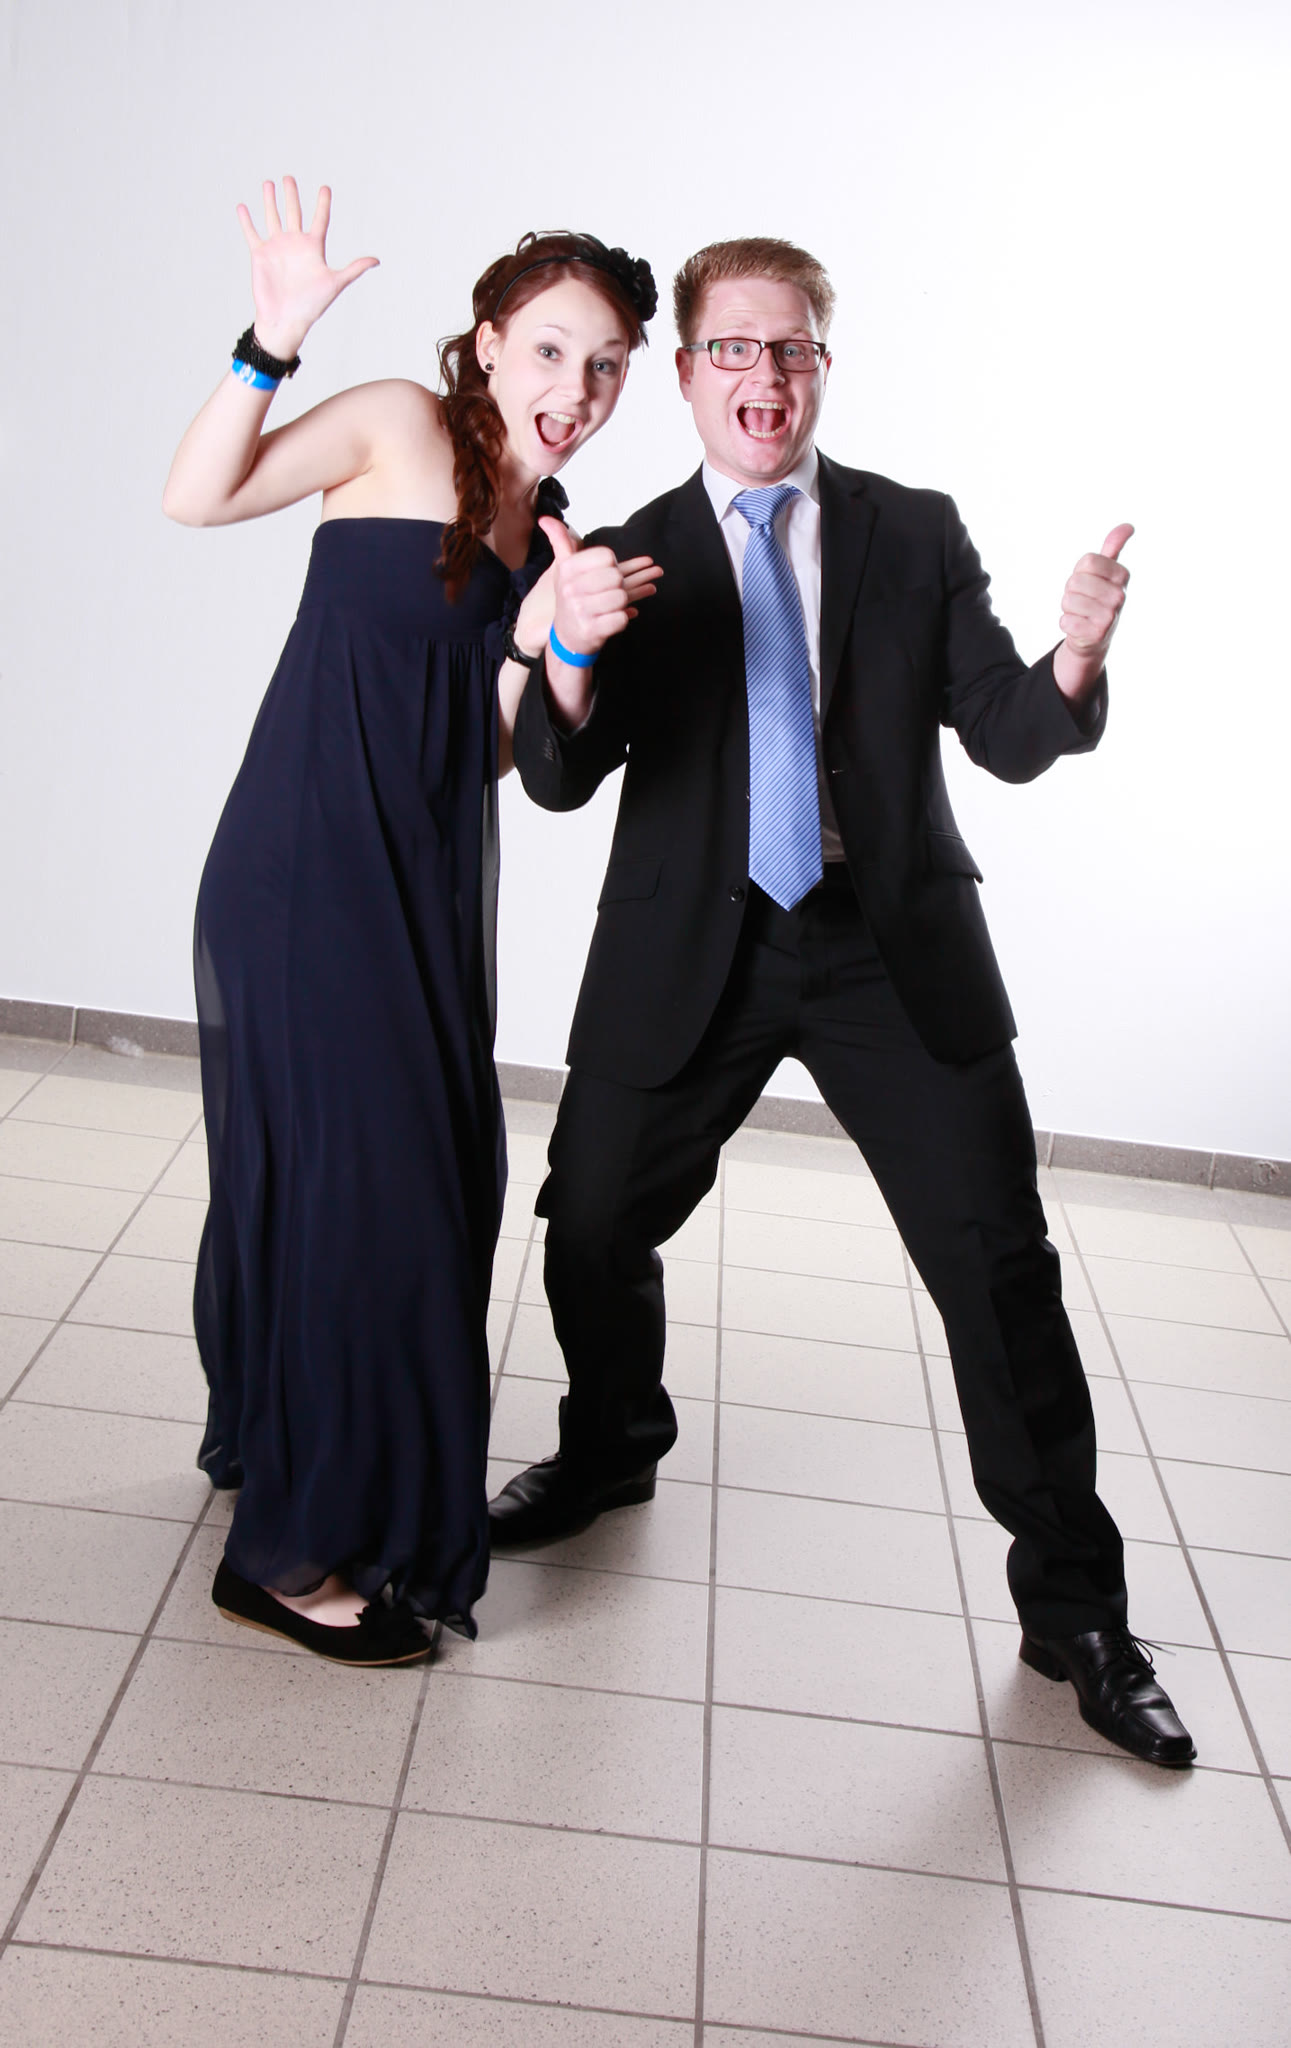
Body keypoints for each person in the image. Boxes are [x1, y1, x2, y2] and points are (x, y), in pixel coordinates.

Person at [492, 235, 1196, 1768]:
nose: (765, 376)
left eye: (792, 348)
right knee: (591, 1218)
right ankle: (612, 1442)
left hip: (890, 947)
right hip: (698, 947)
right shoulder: (625, 549)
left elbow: (1006, 732)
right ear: (689, 376)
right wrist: (567, 649)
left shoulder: (911, 530)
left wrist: (1077, 656)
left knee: (999, 1267)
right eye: (733, 350)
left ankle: (1076, 1609)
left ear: (822, 367)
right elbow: (554, 774)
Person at [163, 178, 659, 1665]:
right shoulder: (396, 424)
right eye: (553, 350)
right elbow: (198, 495)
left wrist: (553, 647)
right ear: (492, 342)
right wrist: (270, 340)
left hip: (422, 884)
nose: (577, 388)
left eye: (607, 366)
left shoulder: (549, 528)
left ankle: (281, 1434)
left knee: (420, 1180)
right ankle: (287, 1559)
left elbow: (491, 748)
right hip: (310, 867)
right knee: (365, 1197)